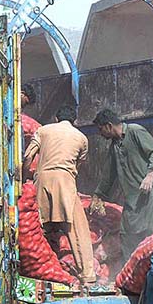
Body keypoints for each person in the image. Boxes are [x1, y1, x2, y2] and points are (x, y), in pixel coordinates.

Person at [23, 105, 96, 285]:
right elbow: (79, 164)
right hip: (65, 181)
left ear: (56, 118)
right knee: (76, 229)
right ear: (74, 121)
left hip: (42, 181)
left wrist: (25, 178)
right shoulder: (81, 138)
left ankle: (41, 271)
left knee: (40, 228)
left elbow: (27, 156)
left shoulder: (43, 131)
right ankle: (87, 274)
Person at [90, 109, 153, 259]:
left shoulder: (135, 131)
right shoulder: (115, 145)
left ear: (108, 125)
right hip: (132, 202)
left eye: (101, 129)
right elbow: (109, 174)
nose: (100, 134)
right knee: (126, 235)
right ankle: (131, 275)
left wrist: (149, 175)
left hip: (151, 198)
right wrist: (98, 194)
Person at [20, 83, 42, 183]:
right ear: (21, 94)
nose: (24, 107)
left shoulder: (31, 124)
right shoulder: (31, 125)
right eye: (25, 103)